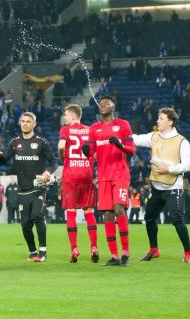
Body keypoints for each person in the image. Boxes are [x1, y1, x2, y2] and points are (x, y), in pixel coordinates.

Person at [133, 107, 190, 263]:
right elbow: (136, 139)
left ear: (170, 121)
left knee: (176, 219)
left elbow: (188, 165)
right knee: (149, 218)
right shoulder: (154, 136)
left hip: (173, 187)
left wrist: (170, 169)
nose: (157, 121)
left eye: (161, 118)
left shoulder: (182, 141)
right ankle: (154, 249)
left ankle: (189, 254)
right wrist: (119, 133)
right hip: (157, 188)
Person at [0, 112, 56, 262]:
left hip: (38, 187)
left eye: (28, 121)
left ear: (34, 124)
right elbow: (4, 161)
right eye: (23, 121)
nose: (25, 123)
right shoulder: (14, 142)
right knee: (25, 224)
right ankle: (33, 252)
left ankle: (43, 252)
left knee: (37, 216)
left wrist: (48, 171)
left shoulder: (41, 142)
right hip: (22, 189)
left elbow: (53, 162)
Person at [82, 94, 135, 266]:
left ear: (113, 107)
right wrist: (86, 150)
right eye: (101, 104)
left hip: (120, 174)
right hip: (103, 176)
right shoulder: (94, 128)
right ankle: (114, 256)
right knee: (107, 215)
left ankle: (125, 253)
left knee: (119, 209)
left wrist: (120, 145)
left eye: (107, 103)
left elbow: (132, 150)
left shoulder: (123, 125)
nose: (103, 105)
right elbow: (90, 151)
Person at [57, 103, 99, 263]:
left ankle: (74, 249)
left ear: (73, 116)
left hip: (71, 176)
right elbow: (94, 154)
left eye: (66, 115)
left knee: (71, 212)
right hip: (87, 175)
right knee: (89, 212)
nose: (65, 118)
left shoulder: (65, 130)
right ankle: (94, 246)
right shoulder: (90, 130)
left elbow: (61, 146)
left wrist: (63, 155)